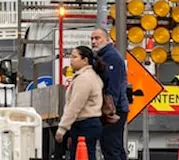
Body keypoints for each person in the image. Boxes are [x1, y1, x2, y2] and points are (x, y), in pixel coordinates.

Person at [55, 46, 103, 159]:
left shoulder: (84, 79)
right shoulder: (92, 76)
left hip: (84, 124)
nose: (71, 60)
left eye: (75, 57)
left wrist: (62, 128)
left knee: (81, 155)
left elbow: (75, 105)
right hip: (91, 123)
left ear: (85, 60)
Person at [90, 27, 130, 160]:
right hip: (112, 108)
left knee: (111, 147)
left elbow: (113, 86)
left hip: (113, 109)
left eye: (97, 38)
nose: (94, 41)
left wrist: (110, 111)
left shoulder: (111, 57)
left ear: (107, 39)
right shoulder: (102, 56)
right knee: (114, 146)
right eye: (92, 38)